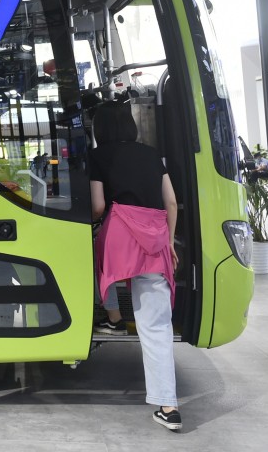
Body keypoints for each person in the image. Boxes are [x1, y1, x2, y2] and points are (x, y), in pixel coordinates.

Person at [89, 102, 182, 432]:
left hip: (118, 235)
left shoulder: (98, 157)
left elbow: (98, 206)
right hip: (154, 237)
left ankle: (113, 316)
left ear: (99, 129)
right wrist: (169, 241)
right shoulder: (152, 154)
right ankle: (168, 406)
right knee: (156, 325)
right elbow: (170, 201)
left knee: (103, 273)